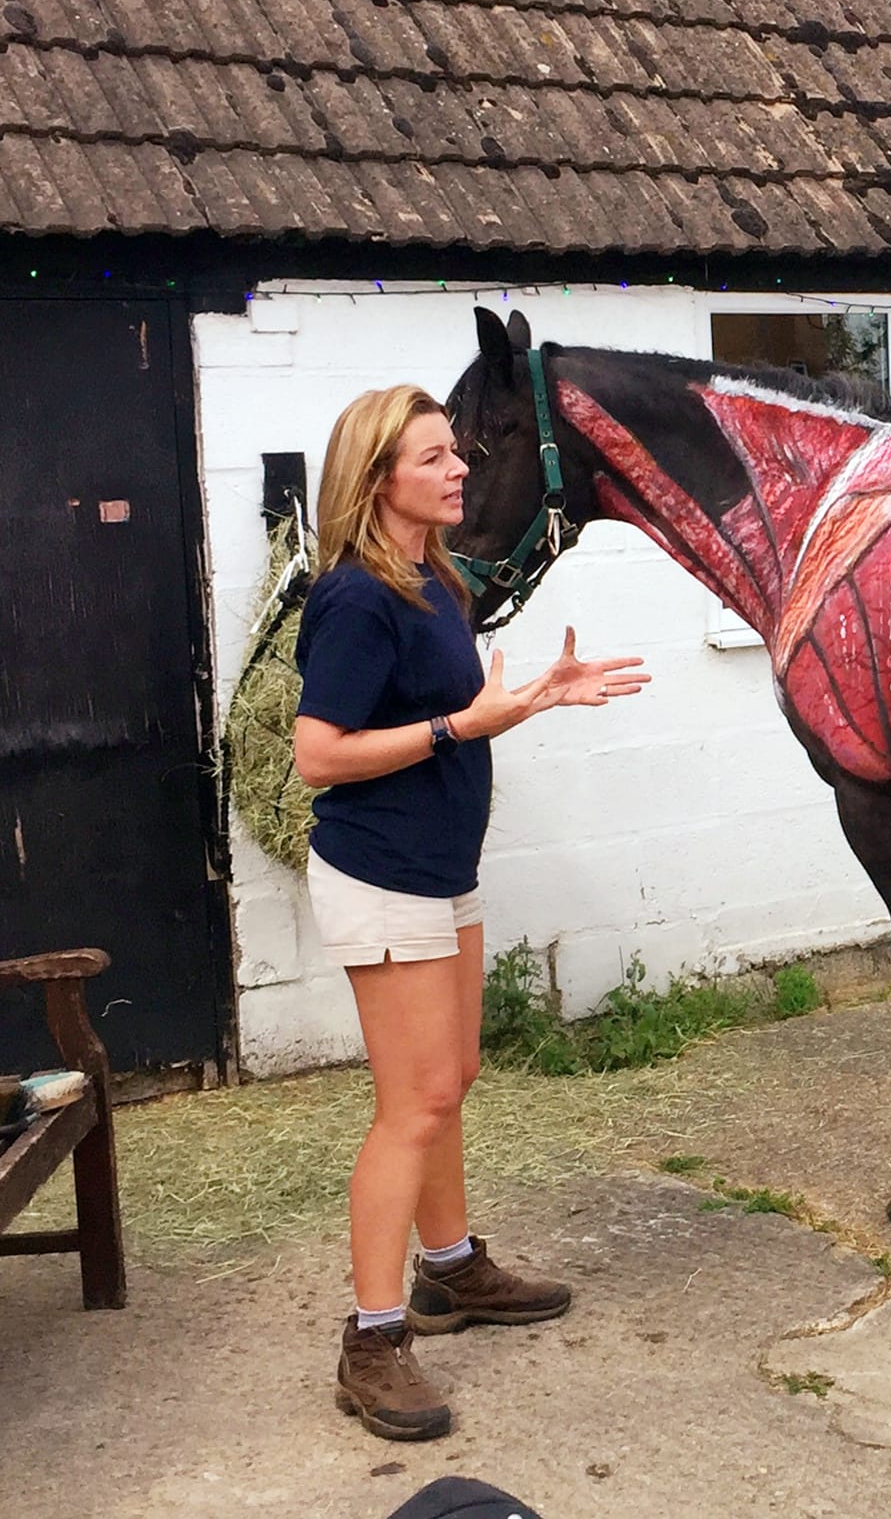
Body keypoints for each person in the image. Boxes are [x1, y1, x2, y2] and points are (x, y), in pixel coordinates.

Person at [293, 385, 649, 1441]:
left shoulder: (433, 581)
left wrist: (529, 698)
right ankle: (371, 1339)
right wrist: (463, 725)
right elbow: (318, 755)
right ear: (377, 480)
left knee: (451, 1080)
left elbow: (455, 710)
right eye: (436, 457)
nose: (460, 469)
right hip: (382, 873)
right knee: (410, 1105)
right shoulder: (356, 597)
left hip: (441, 869)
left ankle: (450, 1273)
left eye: (457, 452)